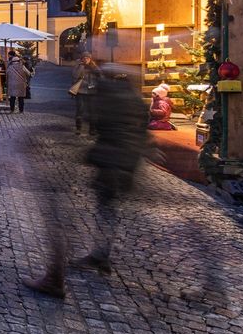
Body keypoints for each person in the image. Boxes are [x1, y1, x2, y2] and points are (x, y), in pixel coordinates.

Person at [24, 63, 149, 298]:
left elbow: (83, 124)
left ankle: (55, 278)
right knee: (107, 208)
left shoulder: (106, 95)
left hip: (109, 161)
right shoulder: (135, 98)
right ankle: (100, 255)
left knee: (62, 217)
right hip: (127, 162)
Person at [71, 51, 101, 134]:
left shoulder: (94, 66)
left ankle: (92, 129)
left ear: (90, 59)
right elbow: (75, 76)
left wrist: (94, 67)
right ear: (81, 59)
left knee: (92, 111)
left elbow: (100, 75)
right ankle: (78, 128)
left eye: (87, 58)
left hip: (92, 91)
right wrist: (81, 66)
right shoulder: (78, 66)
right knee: (80, 110)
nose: (85, 59)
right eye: (84, 58)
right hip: (80, 91)